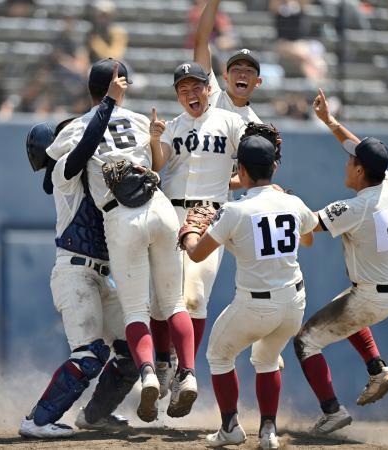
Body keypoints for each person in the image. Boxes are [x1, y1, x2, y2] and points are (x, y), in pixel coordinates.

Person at [45, 58, 197, 422]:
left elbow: (58, 165)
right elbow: (160, 163)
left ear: (90, 90)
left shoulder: (79, 126)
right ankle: (187, 374)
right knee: (174, 303)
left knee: (135, 312)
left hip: (120, 214)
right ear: (123, 85)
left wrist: (104, 109)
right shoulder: (142, 120)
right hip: (158, 206)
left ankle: (148, 373)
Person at [20, 68, 139, 438]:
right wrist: (108, 104)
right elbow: (84, 147)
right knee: (88, 354)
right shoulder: (63, 174)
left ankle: (95, 415)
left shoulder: (87, 174)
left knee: (134, 351)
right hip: (75, 272)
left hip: (101, 274)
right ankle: (37, 421)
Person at [180, 134, 317, 449]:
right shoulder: (292, 202)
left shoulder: (234, 211)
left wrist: (189, 232)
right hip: (294, 303)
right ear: (274, 167)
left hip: (255, 306)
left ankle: (230, 427)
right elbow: (308, 239)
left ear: (240, 170)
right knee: (267, 358)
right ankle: (268, 431)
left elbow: (197, 254)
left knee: (218, 354)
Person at [294, 89, 388, 434]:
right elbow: (357, 148)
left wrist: (280, 200)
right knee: (344, 306)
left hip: (373, 295)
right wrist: (330, 121)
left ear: (359, 170)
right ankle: (377, 370)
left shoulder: (354, 209)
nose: (347, 162)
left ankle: (332, 411)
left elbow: (306, 224)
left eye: (352, 161)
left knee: (305, 341)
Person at [149, 61, 246, 395]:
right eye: (183, 89)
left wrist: (225, 188)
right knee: (161, 298)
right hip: (169, 211)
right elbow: (158, 165)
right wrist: (154, 140)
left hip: (207, 216)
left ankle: (185, 372)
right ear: (177, 95)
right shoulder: (173, 126)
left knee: (194, 296)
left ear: (209, 89)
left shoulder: (231, 121)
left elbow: (256, 164)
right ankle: (164, 362)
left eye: (196, 86)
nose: (191, 93)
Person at [194, 0, 263, 124]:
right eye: (236, 69)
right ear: (226, 76)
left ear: (258, 82)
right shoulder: (211, 96)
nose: (242, 74)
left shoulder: (256, 127)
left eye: (249, 71)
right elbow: (202, 42)